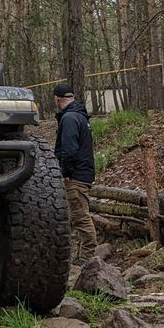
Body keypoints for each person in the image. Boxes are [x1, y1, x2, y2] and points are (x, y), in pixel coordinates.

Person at [53, 82, 98, 265]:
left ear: (56, 99)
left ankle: (87, 258)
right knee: (73, 216)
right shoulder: (80, 116)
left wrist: (63, 172)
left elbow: (69, 149)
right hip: (83, 172)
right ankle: (78, 257)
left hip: (76, 176)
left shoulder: (70, 118)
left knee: (80, 216)